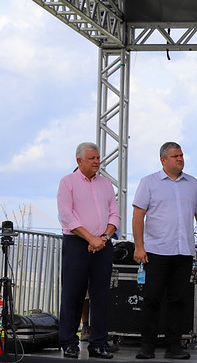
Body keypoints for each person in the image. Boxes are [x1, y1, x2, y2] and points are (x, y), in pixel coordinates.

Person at [132, 142, 197, 360]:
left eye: (182, 155)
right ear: (163, 160)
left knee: (178, 301)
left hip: (183, 252)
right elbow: (138, 215)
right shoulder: (149, 182)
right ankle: (147, 345)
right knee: (152, 299)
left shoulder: (192, 183)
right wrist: (139, 246)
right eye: (175, 156)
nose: (180, 159)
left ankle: (173, 346)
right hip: (156, 251)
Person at [56, 142, 120, 359]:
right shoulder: (68, 182)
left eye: (98, 158)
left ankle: (98, 343)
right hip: (76, 244)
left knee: (101, 296)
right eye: (92, 158)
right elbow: (66, 215)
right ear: (79, 161)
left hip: (103, 245)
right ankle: (69, 342)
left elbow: (114, 214)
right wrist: (90, 238)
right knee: (73, 294)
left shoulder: (106, 184)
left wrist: (104, 237)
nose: (96, 161)